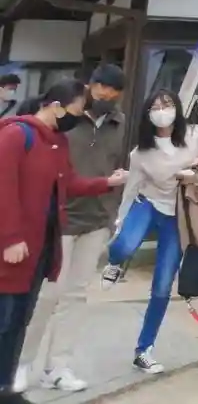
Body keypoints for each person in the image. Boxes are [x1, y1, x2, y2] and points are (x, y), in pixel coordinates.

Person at [0, 81, 128, 404]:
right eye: (76, 108)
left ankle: (5, 386)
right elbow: (3, 190)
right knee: (6, 318)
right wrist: (11, 238)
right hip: (14, 247)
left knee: (19, 319)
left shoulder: (56, 142)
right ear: (56, 106)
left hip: (42, 247)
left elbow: (68, 182)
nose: (79, 115)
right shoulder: (16, 135)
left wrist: (106, 183)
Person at [104, 91, 198, 375]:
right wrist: (120, 221)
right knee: (123, 246)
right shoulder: (141, 153)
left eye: (167, 104)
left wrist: (196, 170)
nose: (162, 111)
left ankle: (143, 350)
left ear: (177, 108)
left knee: (162, 285)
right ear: (148, 114)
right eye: (156, 106)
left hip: (177, 215)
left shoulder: (197, 135)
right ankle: (114, 263)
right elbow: (131, 188)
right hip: (147, 204)